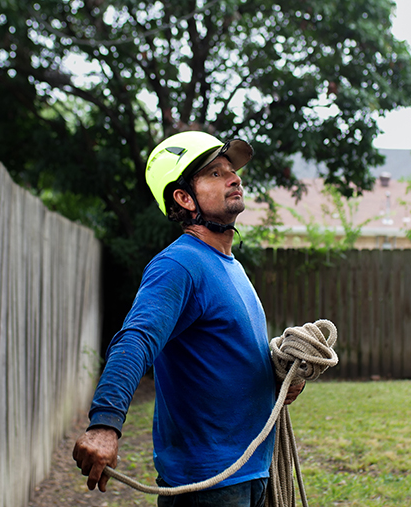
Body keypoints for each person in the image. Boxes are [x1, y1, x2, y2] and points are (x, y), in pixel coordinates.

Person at [72, 130, 303, 507]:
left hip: (253, 470)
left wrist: (278, 381)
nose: (234, 178)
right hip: (209, 485)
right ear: (183, 197)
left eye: (232, 170)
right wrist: (104, 424)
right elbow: (136, 338)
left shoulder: (230, 267)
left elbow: (229, 354)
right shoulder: (179, 265)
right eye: (215, 173)